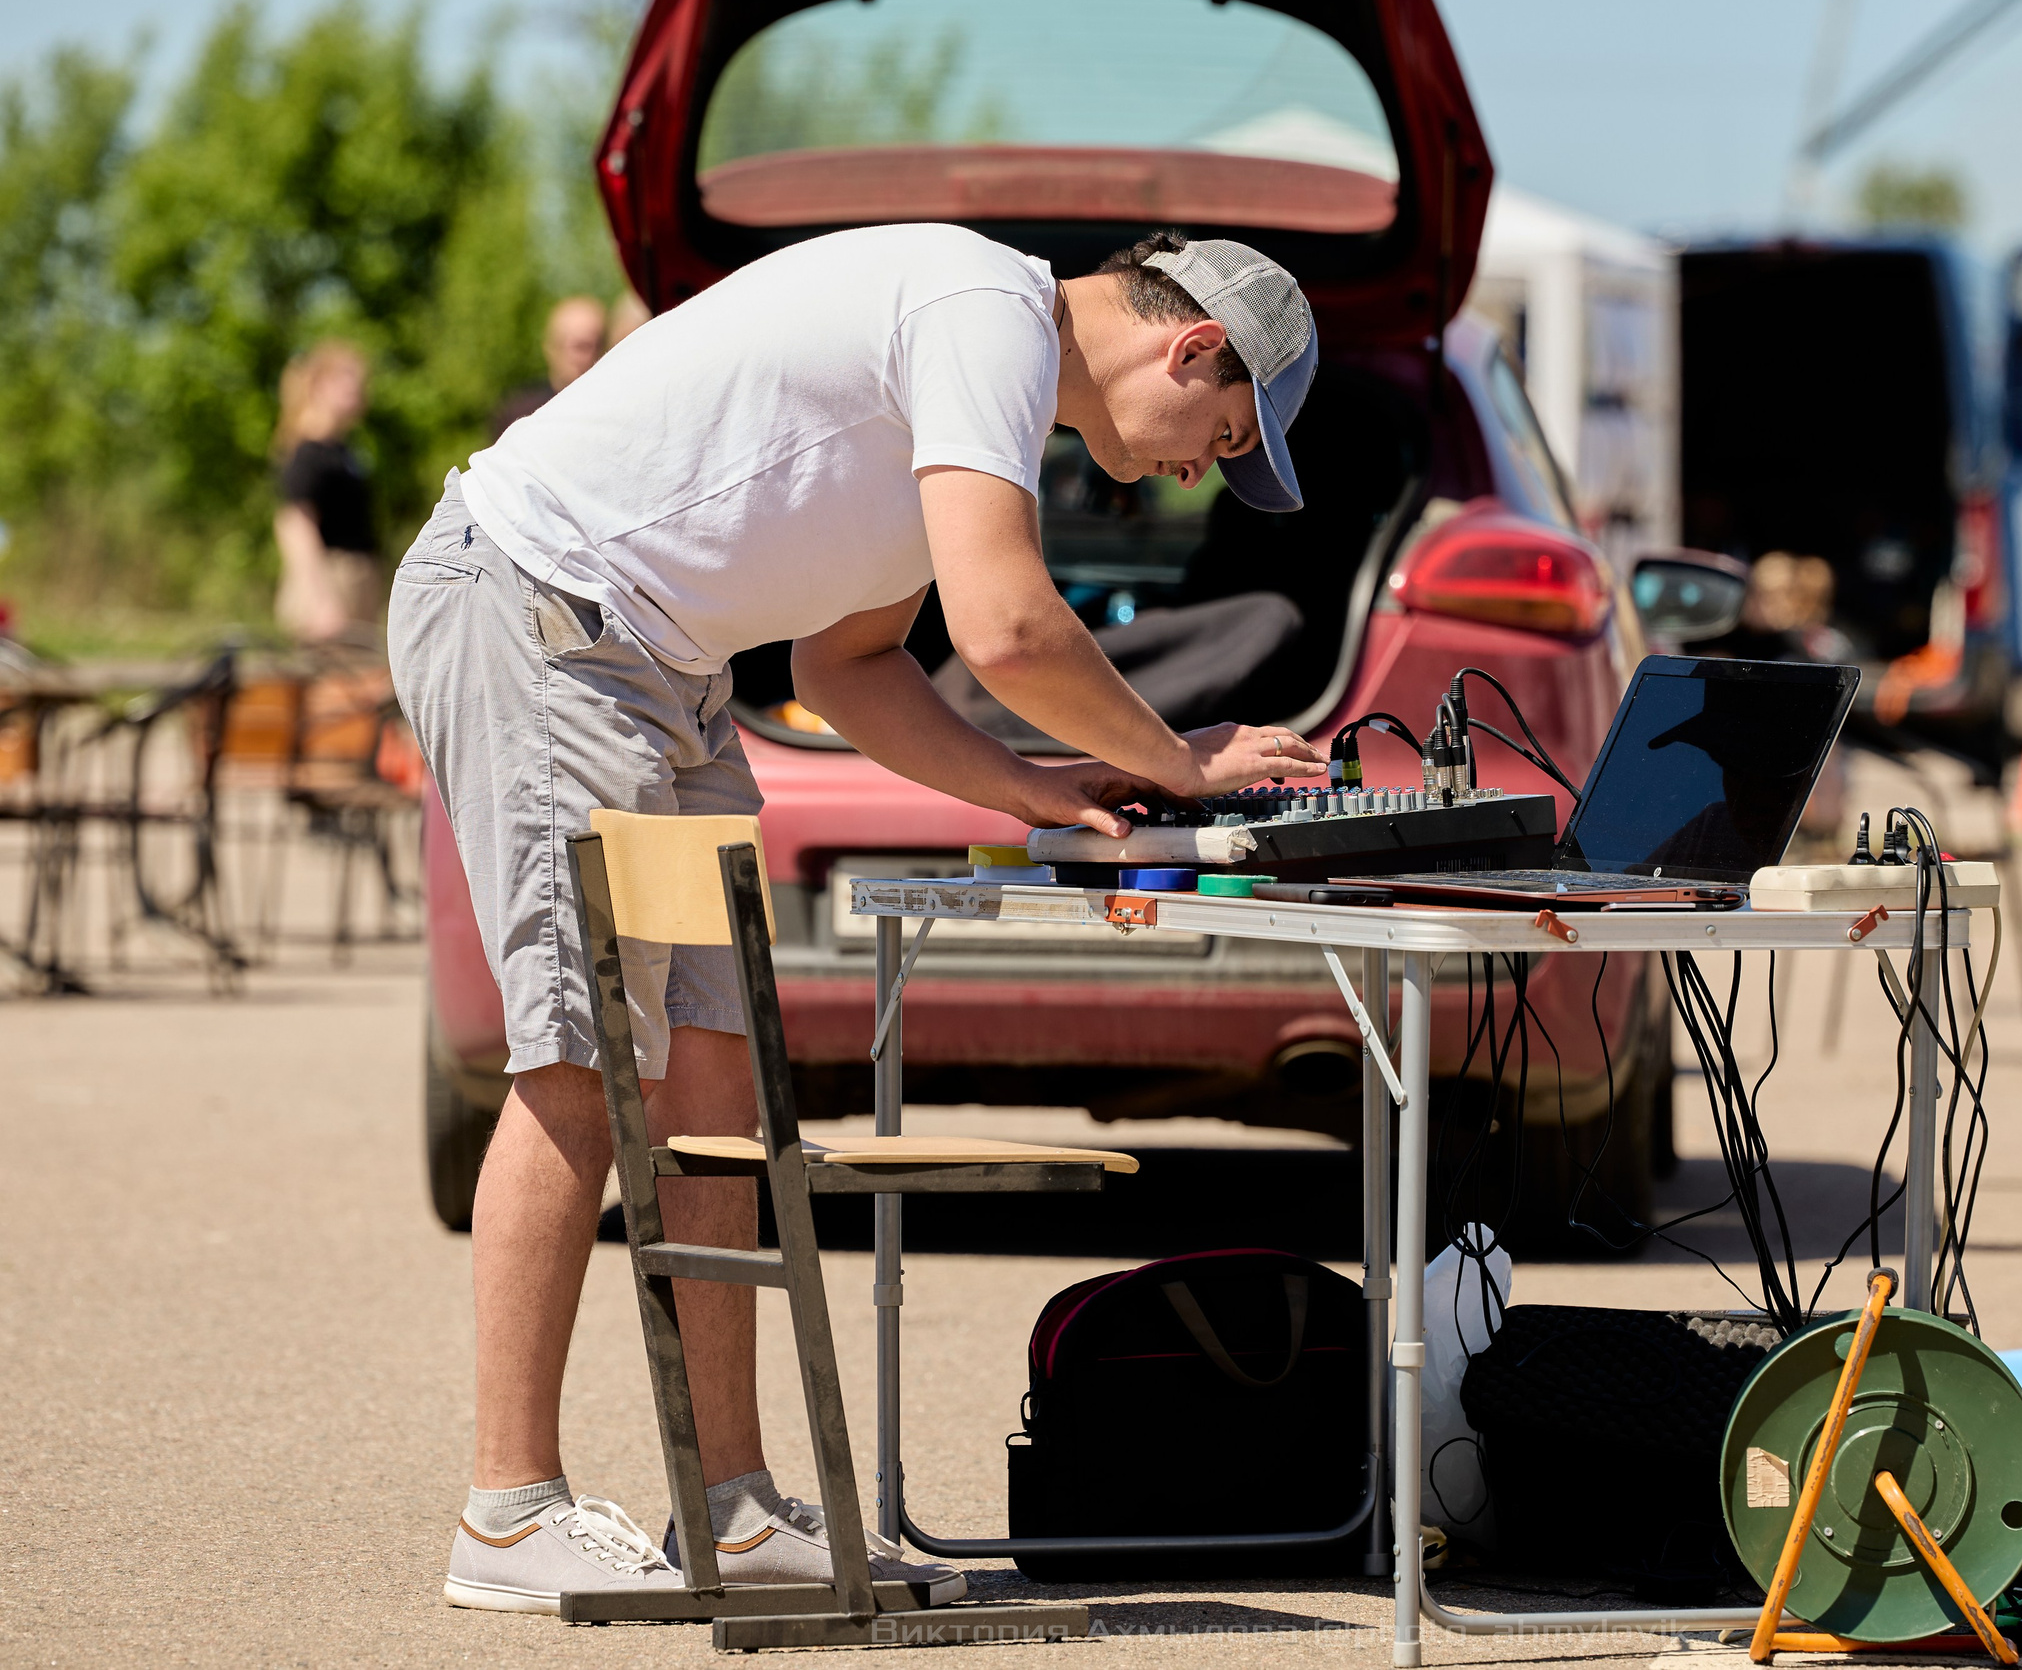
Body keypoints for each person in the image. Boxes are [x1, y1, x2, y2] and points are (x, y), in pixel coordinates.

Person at [389, 224, 1324, 1615]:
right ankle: (507, 1507)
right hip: (540, 608)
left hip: (659, 666)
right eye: (1223, 434)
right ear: (1192, 348)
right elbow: (1007, 626)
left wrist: (1039, 786)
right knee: (584, 1061)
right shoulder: (984, 313)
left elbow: (853, 660)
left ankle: (737, 1507)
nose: (1203, 470)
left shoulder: (986, 384)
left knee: (712, 1074)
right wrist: (1182, 762)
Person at [272, 340, 377, 646]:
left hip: (353, 581)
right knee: (325, 689)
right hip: (327, 580)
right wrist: (321, 602)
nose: (358, 390)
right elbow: (294, 526)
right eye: (348, 380)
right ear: (319, 385)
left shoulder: (343, 450)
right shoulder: (308, 452)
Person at [490, 296, 611, 439]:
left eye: (599, 345)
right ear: (552, 348)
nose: (591, 356)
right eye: (581, 347)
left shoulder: (611, 410)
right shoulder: (521, 415)